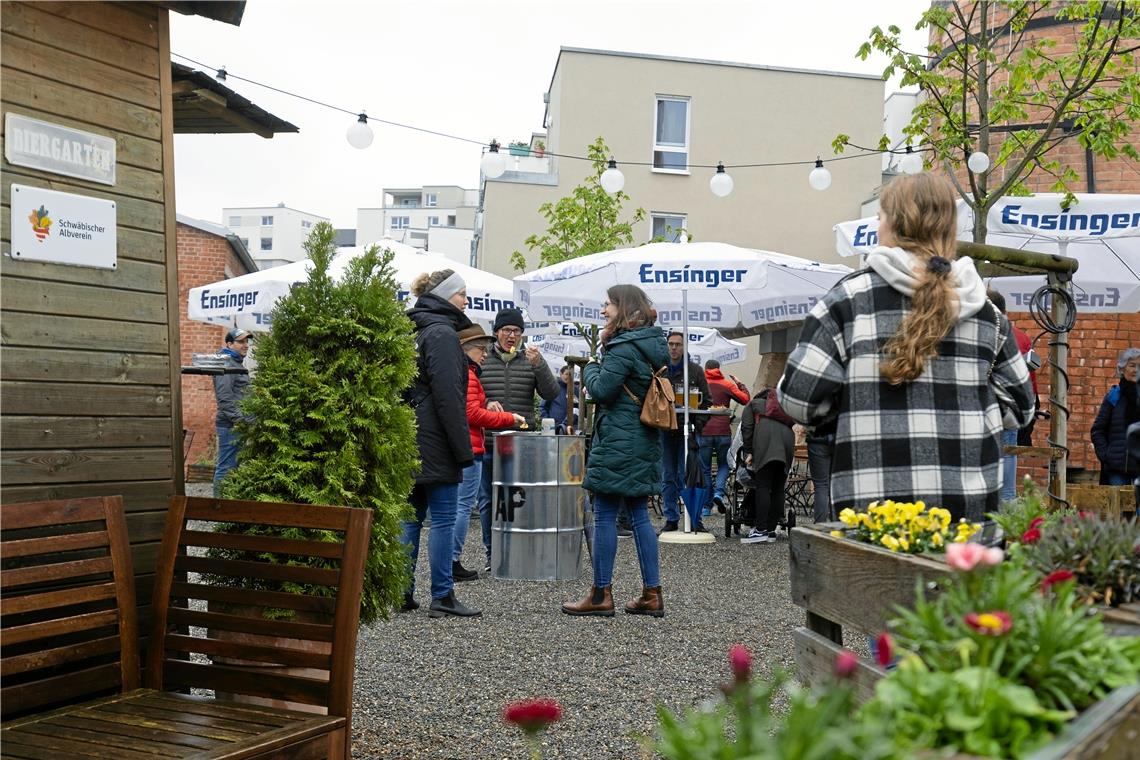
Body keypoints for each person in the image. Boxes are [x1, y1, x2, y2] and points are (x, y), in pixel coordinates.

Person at [778, 172, 1034, 521]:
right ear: (946, 228)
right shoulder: (986, 314)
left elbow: (797, 399)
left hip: (870, 520)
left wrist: (856, 405)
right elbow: (1020, 409)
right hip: (965, 519)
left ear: (893, 224)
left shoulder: (846, 302)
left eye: (880, 216)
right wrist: (963, 411)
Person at [563, 284, 669, 618]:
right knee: (639, 515)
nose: (603, 309)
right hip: (642, 438)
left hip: (619, 438)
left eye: (607, 304)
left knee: (606, 513)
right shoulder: (652, 343)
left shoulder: (623, 347)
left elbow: (602, 390)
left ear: (622, 307)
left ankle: (600, 594)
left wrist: (592, 364)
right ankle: (652, 593)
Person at [402, 269, 481, 618]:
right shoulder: (443, 333)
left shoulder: (413, 330)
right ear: (448, 296)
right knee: (445, 518)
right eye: (463, 293)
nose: (466, 300)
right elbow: (449, 396)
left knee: (411, 518)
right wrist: (462, 450)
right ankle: (442, 595)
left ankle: (401, 591)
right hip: (436, 439)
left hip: (409, 436)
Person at [477, 307, 560, 571]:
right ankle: (494, 554)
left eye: (517, 331)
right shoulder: (483, 360)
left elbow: (551, 392)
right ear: (497, 333)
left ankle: (520, 552)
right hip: (489, 441)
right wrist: (486, 402)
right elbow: (471, 395)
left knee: (521, 499)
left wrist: (541, 365)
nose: (512, 336)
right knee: (489, 501)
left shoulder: (530, 360)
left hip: (521, 444)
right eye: (507, 331)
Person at [452, 325, 524, 581]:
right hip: (472, 448)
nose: (484, 354)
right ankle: (452, 560)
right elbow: (470, 413)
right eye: (480, 349)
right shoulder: (469, 375)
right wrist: (506, 418)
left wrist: (486, 404)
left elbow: (470, 407)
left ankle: (452, 559)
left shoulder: (465, 373)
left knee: (462, 504)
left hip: (470, 445)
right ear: (466, 350)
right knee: (463, 505)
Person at [988, 289, 1040, 502]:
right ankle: (1008, 500)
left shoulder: (979, 331)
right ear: (1005, 310)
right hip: (1010, 408)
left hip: (982, 407)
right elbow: (1030, 379)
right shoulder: (1020, 336)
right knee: (1008, 455)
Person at [660, 330, 712, 532]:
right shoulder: (660, 370)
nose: (674, 348)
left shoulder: (695, 371)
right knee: (667, 475)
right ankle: (671, 517)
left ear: (684, 347)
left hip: (687, 430)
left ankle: (694, 517)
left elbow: (706, 402)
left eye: (678, 344)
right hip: (665, 430)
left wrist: (696, 426)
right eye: (671, 344)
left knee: (689, 473)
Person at [739, 388, 796, 543]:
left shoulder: (753, 404)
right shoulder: (784, 408)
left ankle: (760, 530)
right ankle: (771, 530)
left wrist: (748, 451)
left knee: (763, 485)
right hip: (788, 442)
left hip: (766, 441)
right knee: (778, 488)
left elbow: (747, 428)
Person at [700, 359, 750, 514]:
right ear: (718, 368)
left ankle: (706, 507)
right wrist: (740, 384)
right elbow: (745, 399)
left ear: (706, 368)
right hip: (723, 432)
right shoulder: (726, 384)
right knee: (724, 464)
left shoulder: (699, 383)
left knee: (705, 468)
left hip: (704, 431)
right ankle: (718, 493)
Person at [1091, 347, 1140, 486]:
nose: (1136, 370)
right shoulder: (1114, 396)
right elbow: (1097, 431)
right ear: (1122, 369)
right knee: (1118, 507)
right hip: (1117, 470)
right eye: (1132, 365)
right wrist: (1106, 456)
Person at [213, 327, 252, 497]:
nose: (246, 345)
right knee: (226, 468)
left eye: (246, 342)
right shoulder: (226, 363)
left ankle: (226, 507)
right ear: (229, 344)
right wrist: (241, 421)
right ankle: (218, 511)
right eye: (241, 341)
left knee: (233, 468)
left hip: (237, 425)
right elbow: (225, 399)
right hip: (231, 426)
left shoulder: (235, 363)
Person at [540, 364, 579, 433]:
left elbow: (580, 409)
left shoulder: (575, 390)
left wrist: (576, 401)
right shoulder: (553, 388)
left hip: (571, 428)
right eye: (566, 374)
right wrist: (548, 422)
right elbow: (543, 406)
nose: (568, 377)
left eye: (570, 375)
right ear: (561, 374)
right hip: (554, 427)